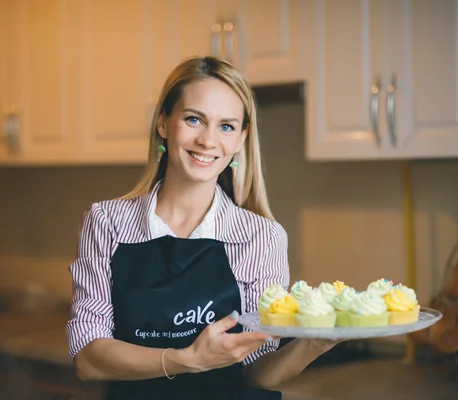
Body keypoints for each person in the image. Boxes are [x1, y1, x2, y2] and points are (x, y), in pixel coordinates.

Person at [66, 56, 341, 399]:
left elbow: (258, 373)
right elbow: (88, 359)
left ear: (241, 138)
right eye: (194, 119)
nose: (208, 141)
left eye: (226, 126)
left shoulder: (261, 237)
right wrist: (185, 359)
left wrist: (316, 341)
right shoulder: (106, 223)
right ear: (164, 123)